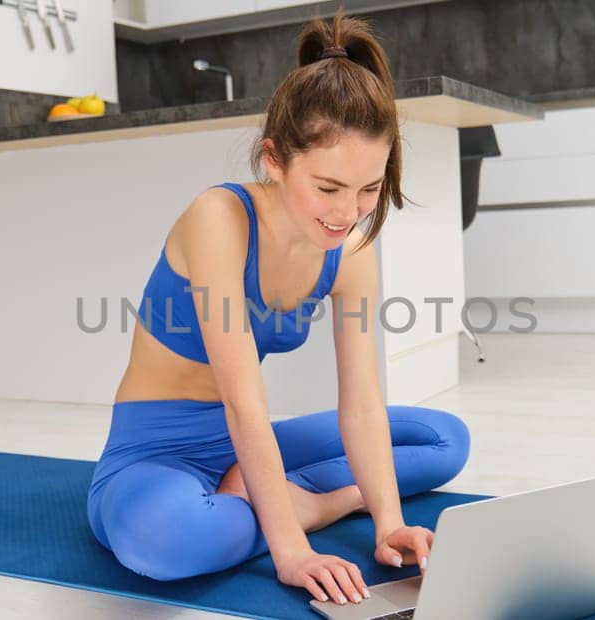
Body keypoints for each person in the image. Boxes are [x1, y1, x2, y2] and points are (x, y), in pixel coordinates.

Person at [86, 11, 470, 608]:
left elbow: (363, 403)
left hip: (250, 443)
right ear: (274, 159)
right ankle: (304, 503)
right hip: (156, 451)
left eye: (369, 189)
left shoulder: (350, 250)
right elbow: (243, 401)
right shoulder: (219, 218)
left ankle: (271, 497)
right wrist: (292, 545)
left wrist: (388, 523)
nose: (348, 212)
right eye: (328, 187)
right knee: (164, 541)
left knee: (445, 439)